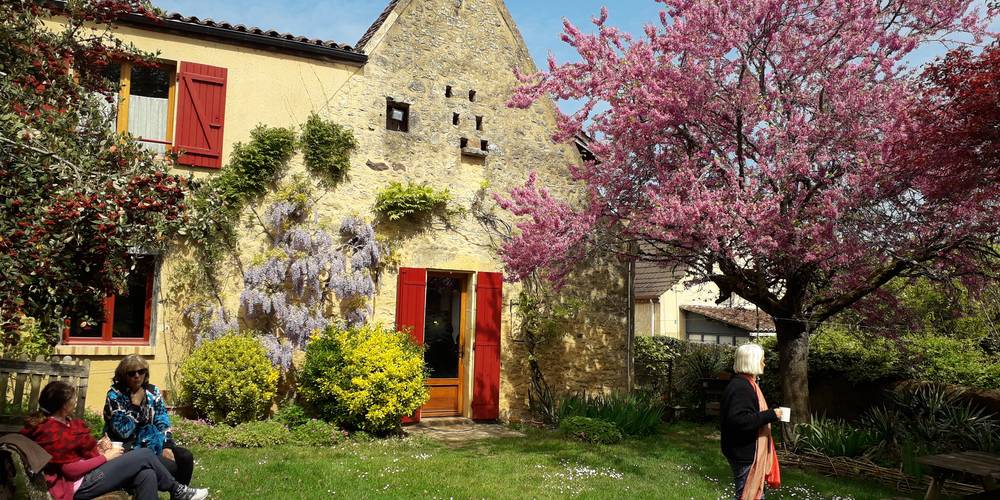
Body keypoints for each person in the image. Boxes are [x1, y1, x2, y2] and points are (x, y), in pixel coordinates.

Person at [20, 381, 208, 500]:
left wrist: (98, 448)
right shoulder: (52, 430)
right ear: (63, 405)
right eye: (72, 399)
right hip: (78, 485)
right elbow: (70, 470)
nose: (75, 402)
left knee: (147, 474)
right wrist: (106, 457)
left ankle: (178, 490)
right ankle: (177, 490)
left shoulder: (64, 422)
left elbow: (76, 453)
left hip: (86, 475)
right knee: (144, 455)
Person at [104, 355, 195, 485]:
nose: (137, 376)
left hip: (153, 443)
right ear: (123, 375)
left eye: (141, 371)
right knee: (171, 467)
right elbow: (122, 432)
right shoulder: (115, 395)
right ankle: (173, 489)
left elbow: (162, 421)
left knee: (185, 457)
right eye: (131, 373)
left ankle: (180, 493)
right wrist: (135, 405)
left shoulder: (152, 391)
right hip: (127, 448)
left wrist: (167, 446)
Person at [720, 343, 782, 500]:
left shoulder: (744, 384)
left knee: (752, 494)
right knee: (747, 495)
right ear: (752, 361)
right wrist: (771, 415)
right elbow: (739, 420)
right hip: (744, 451)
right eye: (762, 359)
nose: (764, 363)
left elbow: (747, 414)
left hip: (742, 449)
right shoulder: (741, 387)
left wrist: (770, 413)